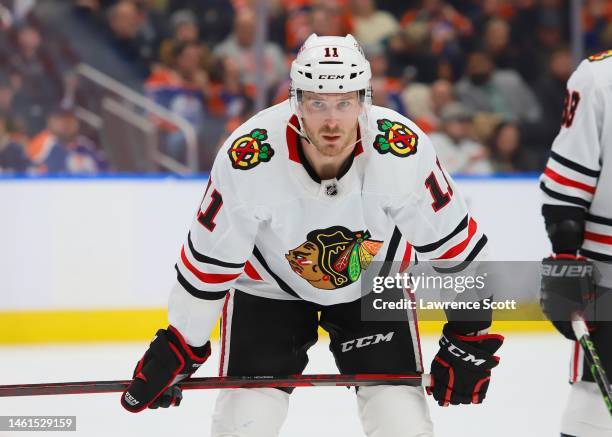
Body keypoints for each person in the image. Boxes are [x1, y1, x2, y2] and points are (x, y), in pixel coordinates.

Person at [120, 34, 503, 436]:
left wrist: (470, 334)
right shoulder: (248, 157)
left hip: (373, 283)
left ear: (364, 100)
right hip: (268, 290)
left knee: (401, 423)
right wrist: (181, 343)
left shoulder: (400, 150)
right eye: (318, 102)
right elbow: (208, 266)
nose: (333, 121)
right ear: (296, 100)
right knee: (244, 424)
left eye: (345, 102)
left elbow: (458, 251)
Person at [539, 49, 612, 437]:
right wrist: (566, 258)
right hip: (609, 269)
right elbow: (568, 186)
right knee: (594, 403)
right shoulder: (600, 78)